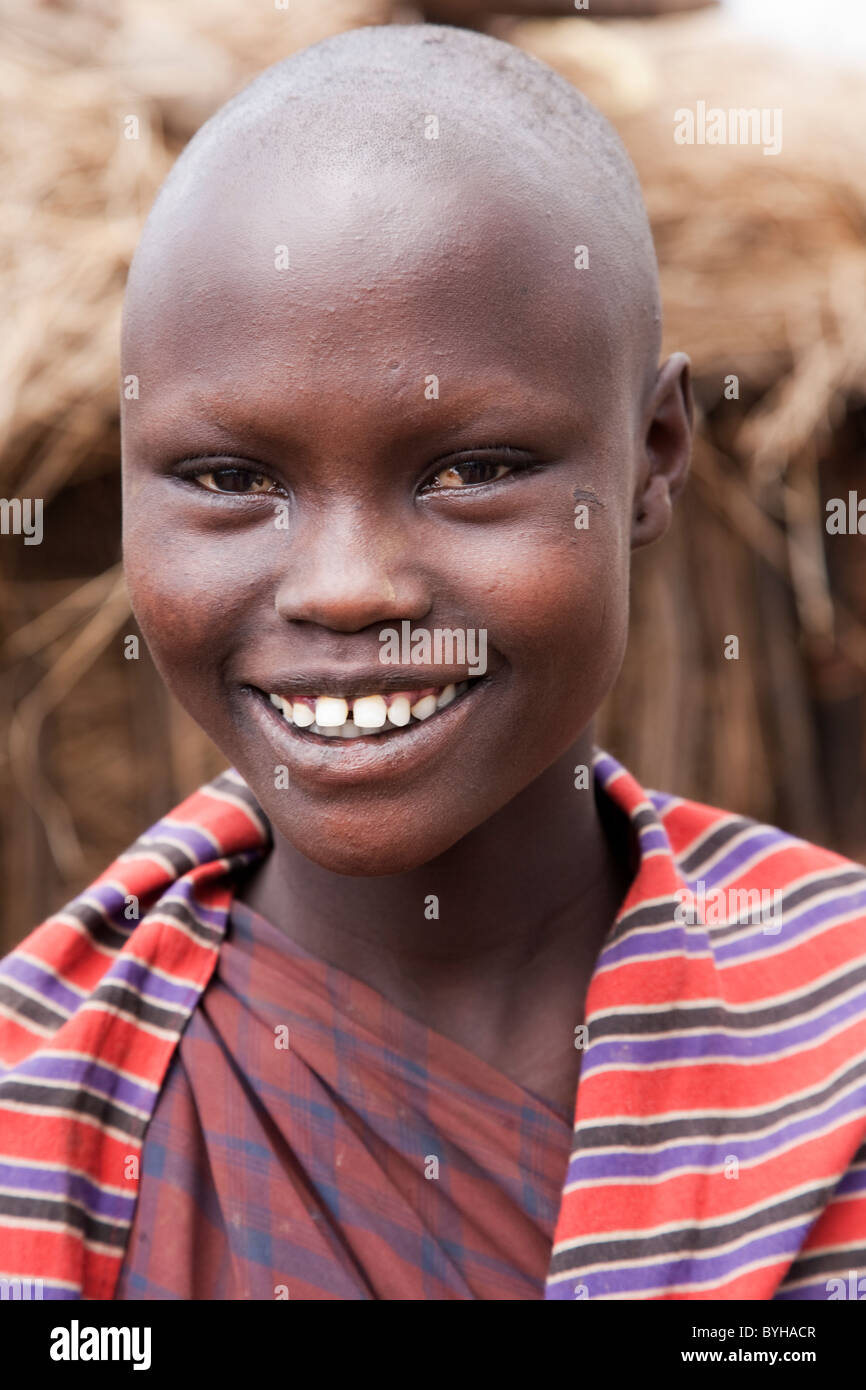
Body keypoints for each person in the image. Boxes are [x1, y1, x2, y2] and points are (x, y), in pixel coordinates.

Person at [1, 22, 864, 1302]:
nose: (347, 588)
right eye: (231, 480)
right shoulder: (43, 1107)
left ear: (656, 454)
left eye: (472, 471)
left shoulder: (835, 1033)